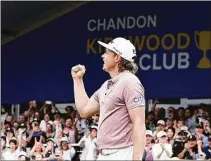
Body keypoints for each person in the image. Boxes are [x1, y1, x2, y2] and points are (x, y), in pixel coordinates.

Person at [71, 37, 146, 160]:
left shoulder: (130, 82)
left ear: (117, 58)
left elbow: (139, 123)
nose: (102, 56)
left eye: (107, 52)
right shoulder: (106, 85)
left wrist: (136, 158)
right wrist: (77, 80)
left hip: (123, 153)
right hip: (104, 154)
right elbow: (84, 111)